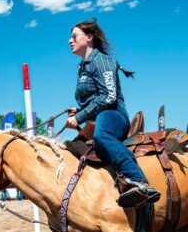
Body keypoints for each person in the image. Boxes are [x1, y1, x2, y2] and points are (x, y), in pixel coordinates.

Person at [64, 19, 160, 208]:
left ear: (89, 37)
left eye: (74, 36)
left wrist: (79, 117)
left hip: (114, 114)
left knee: (102, 136)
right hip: (98, 116)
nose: (70, 40)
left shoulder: (102, 60)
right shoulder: (82, 67)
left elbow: (109, 96)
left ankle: (139, 181)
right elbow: (95, 97)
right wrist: (80, 110)